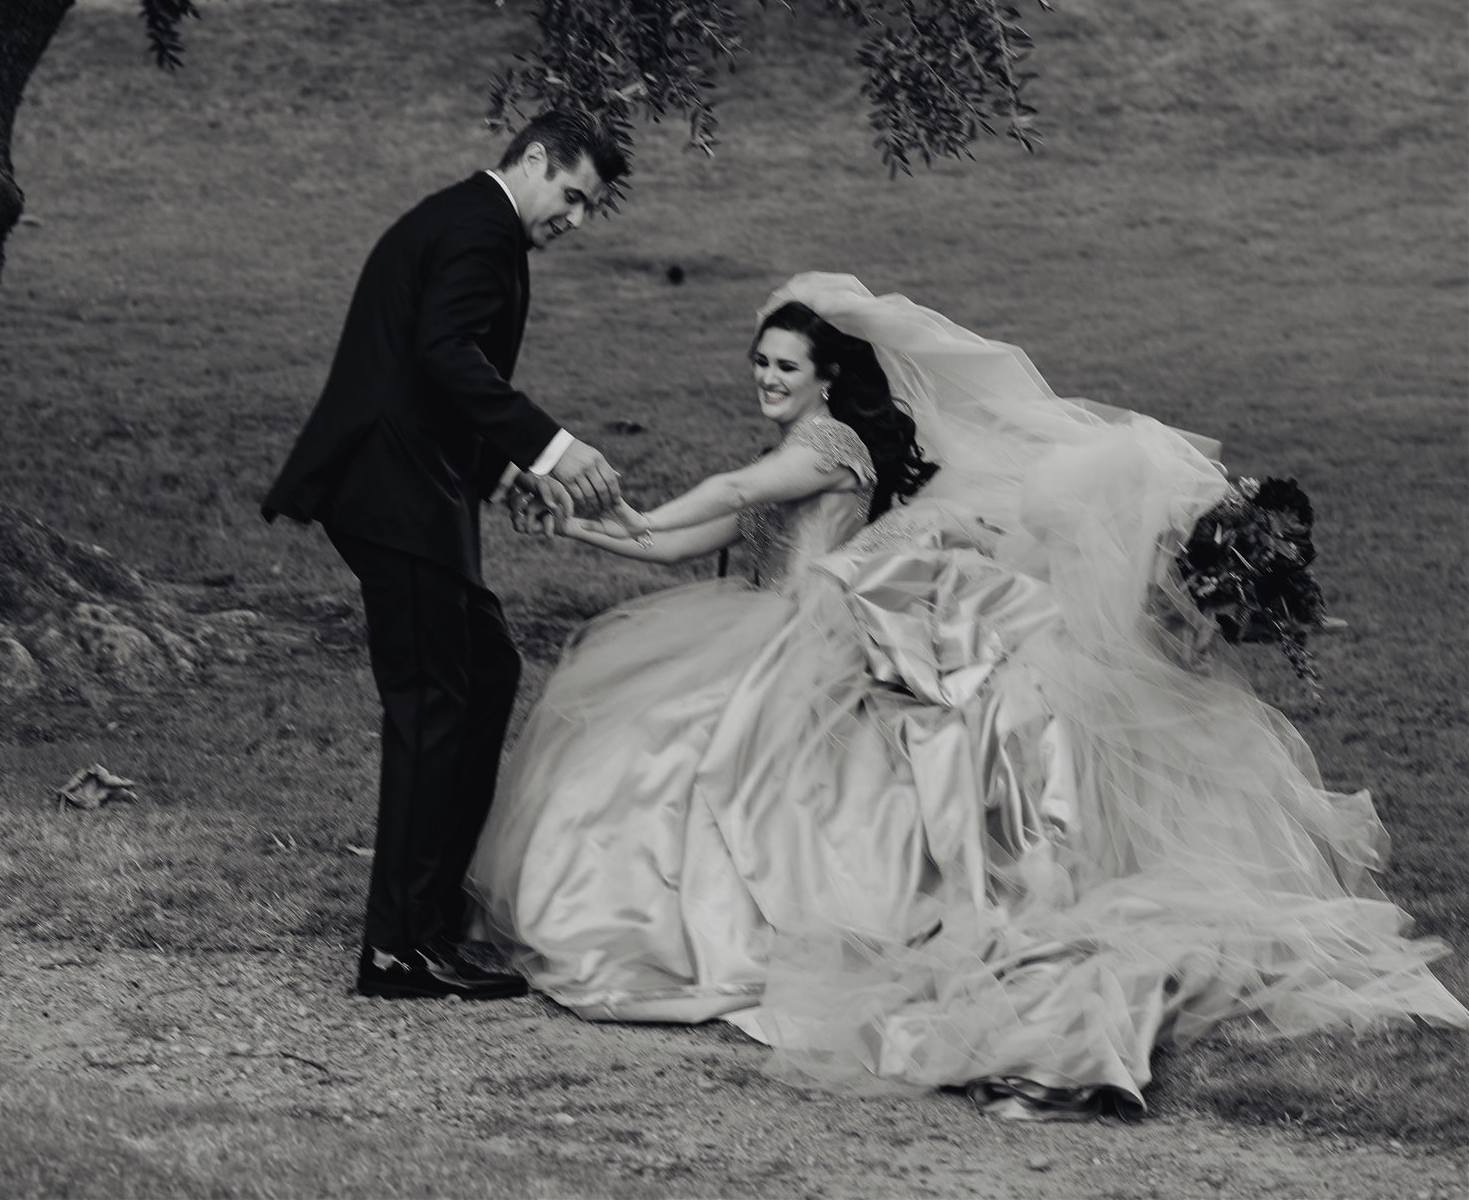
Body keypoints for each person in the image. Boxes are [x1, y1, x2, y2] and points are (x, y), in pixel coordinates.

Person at [472, 273, 1467, 1117]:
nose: (766, 379)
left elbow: (713, 508)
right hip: (790, 625)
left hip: (805, 634)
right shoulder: (824, 446)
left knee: (690, 769)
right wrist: (570, 530)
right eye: (759, 363)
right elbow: (674, 543)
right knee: (697, 763)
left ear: (827, 377)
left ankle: (687, 931)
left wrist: (578, 509)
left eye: (785, 365)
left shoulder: (821, 448)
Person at [261, 111, 635, 1001]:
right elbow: (443, 354)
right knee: (433, 703)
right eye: (572, 195)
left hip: (415, 483)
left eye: (589, 208)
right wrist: (554, 450)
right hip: (392, 491)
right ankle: (399, 947)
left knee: (488, 668)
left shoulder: (474, 224)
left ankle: (435, 918)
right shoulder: (478, 226)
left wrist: (504, 473)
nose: (575, 220)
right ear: (535, 159)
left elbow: (431, 373)